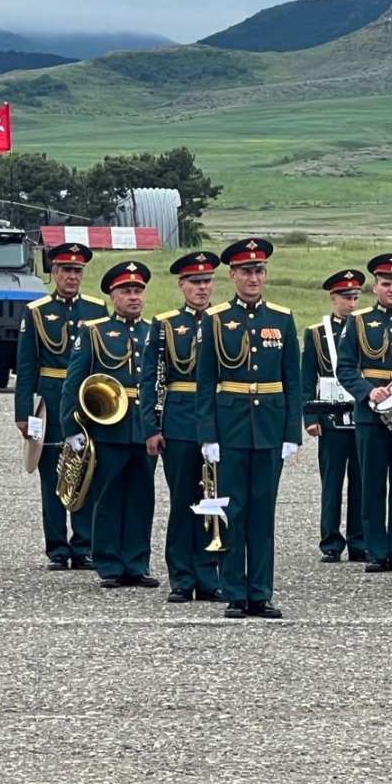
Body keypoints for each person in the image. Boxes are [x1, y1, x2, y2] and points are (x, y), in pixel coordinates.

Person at [196, 239, 302, 620]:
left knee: (263, 514)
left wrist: (293, 432)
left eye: (259, 271)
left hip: (270, 428)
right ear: (233, 275)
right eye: (246, 271)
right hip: (231, 427)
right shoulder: (216, 318)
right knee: (232, 512)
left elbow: (293, 379)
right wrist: (207, 434)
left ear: (265, 274)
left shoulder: (282, 318)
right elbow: (205, 380)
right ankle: (235, 591)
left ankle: (261, 592)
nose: (253, 277)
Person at [61, 261, 158, 591]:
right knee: (108, 496)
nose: (133, 297)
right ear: (113, 296)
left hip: (143, 427)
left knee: (142, 497)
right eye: (126, 291)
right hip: (108, 428)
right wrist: (70, 428)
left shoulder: (154, 331)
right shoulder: (94, 331)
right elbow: (74, 381)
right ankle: (109, 563)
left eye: (138, 291)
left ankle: (137, 562)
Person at [14, 243, 105, 572]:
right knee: (53, 476)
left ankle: (85, 544)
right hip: (51, 402)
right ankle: (57, 547)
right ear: (54, 273)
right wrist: (23, 413)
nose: (71, 276)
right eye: (65, 270)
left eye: (77, 271)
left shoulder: (97, 309)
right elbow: (26, 367)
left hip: (87, 400)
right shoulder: (37, 311)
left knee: (86, 473)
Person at [142, 251, 224, 603]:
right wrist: (151, 425)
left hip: (218, 421)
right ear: (182, 285)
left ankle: (209, 575)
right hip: (177, 419)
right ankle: (181, 577)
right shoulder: (165, 324)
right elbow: (151, 378)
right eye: (195, 282)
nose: (202, 288)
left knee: (213, 499)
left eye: (207, 282)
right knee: (181, 501)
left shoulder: (225, 320)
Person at [337, 253, 392, 573]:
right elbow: (344, 367)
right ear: (375, 287)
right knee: (372, 482)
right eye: (386, 284)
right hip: (371, 412)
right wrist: (367, 391)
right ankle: (376, 550)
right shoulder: (357, 321)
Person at [301, 269, 367, 564]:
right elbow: (306, 378)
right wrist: (310, 417)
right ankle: (330, 541)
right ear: (333, 298)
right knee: (332, 481)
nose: (351, 303)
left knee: (362, 481)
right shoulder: (316, 333)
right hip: (329, 415)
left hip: (363, 412)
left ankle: (359, 540)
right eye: (345, 297)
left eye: (355, 297)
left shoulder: (367, 327)